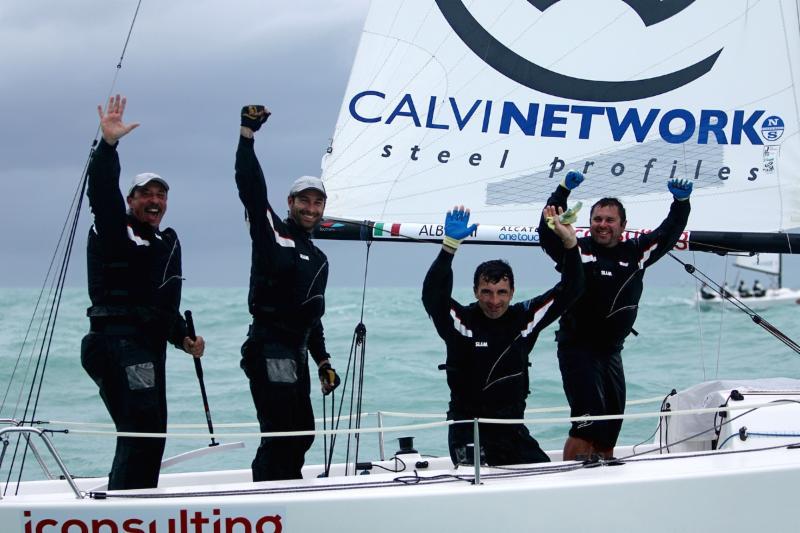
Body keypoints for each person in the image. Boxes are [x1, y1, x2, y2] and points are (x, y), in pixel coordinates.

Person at [81, 95, 205, 490]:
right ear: (131, 201)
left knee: (152, 433)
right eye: (146, 194)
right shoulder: (115, 229)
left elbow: (163, 307)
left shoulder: (163, 243)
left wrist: (183, 340)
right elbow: (101, 192)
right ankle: (121, 510)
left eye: (161, 195)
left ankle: (138, 502)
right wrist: (109, 145)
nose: (155, 200)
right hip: (116, 343)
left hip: (148, 346)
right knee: (141, 430)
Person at [538, 171, 691, 461]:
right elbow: (548, 231)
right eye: (597, 219)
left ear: (623, 225)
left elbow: (668, 233)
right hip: (577, 349)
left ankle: (602, 484)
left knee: (610, 426)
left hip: (611, 353)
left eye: (609, 220)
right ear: (590, 222)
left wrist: (681, 202)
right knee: (586, 425)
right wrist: (561, 192)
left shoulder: (637, 252)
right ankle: (568, 486)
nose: (602, 225)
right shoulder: (576, 249)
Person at [422, 205, 584, 466]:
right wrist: (449, 247)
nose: (494, 301)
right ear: (475, 291)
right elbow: (432, 296)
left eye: (501, 292)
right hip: (469, 431)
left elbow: (572, 289)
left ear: (512, 292)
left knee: (548, 479)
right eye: (486, 291)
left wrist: (570, 243)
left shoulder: (525, 319)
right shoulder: (461, 322)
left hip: (512, 431)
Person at [235, 105, 340, 481]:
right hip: (268, 345)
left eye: (317, 202)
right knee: (282, 434)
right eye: (303, 201)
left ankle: (286, 495)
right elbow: (250, 189)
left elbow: (315, 316)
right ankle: (268, 501)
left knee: (302, 433)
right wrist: (247, 135)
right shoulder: (272, 234)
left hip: (296, 351)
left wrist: (323, 361)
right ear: (290, 203)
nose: (310, 208)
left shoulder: (320, 258)